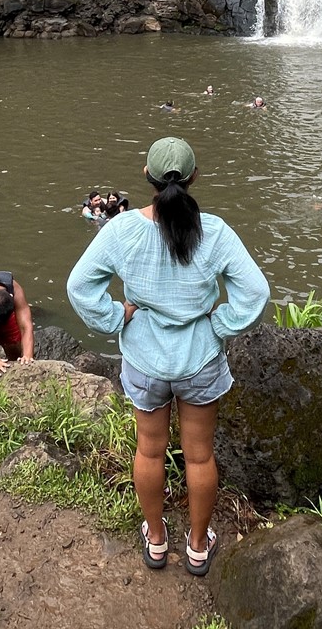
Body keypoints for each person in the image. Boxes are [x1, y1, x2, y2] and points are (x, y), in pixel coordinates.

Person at [67, 136, 269, 578]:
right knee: (199, 456)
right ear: (194, 178)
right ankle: (198, 547)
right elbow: (256, 292)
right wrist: (219, 325)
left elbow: (79, 287)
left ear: (148, 178)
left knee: (150, 451)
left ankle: (156, 540)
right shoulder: (214, 231)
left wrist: (115, 317)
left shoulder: (121, 231)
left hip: (145, 359)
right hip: (200, 359)